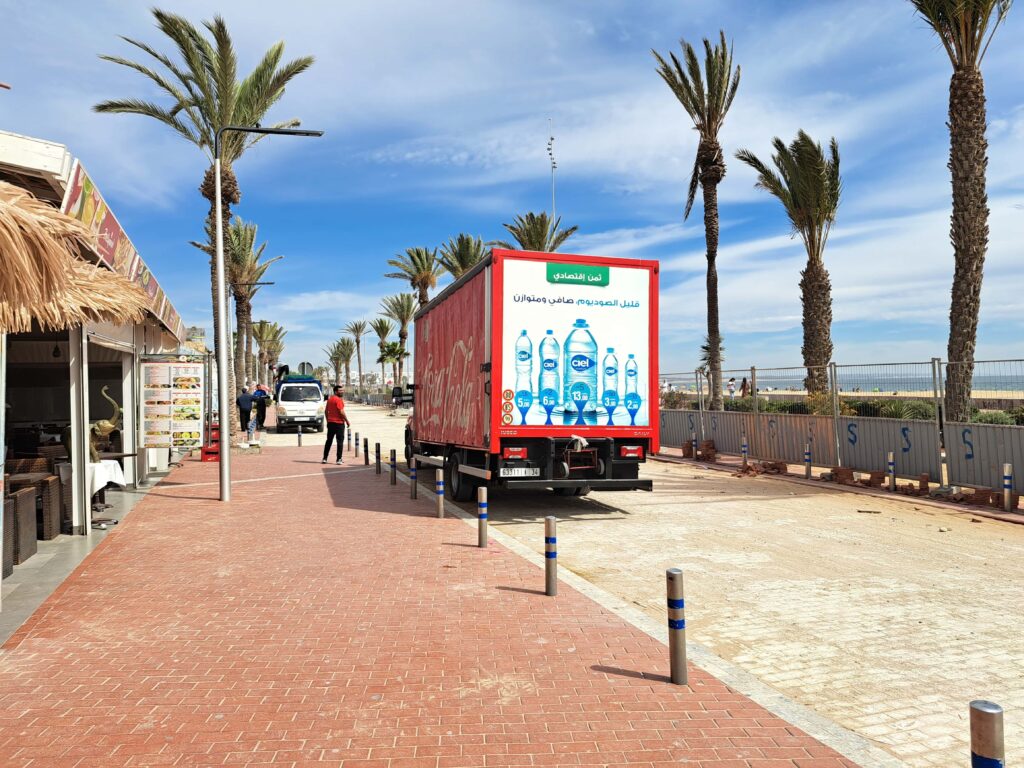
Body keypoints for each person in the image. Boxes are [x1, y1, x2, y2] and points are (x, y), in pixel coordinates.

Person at [322, 385, 351, 465]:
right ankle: (339, 459)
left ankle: (324, 458)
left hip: (331, 424)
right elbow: (341, 412)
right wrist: (347, 421)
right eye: (340, 391)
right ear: (335, 391)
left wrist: (328, 421)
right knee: (340, 442)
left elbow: (325, 411)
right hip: (339, 424)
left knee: (329, 441)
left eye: (342, 390)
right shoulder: (338, 400)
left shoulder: (330, 399)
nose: (342, 392)